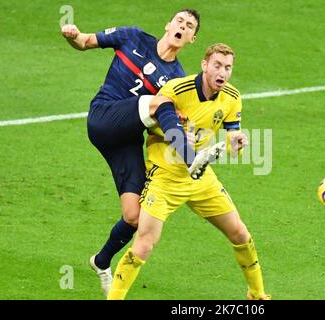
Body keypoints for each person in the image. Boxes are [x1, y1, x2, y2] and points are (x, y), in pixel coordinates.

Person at [107, 43, 271, 300]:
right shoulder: (176, 89)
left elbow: (230, 137)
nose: (223, 72)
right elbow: (151, 127)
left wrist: (236, 142)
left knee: (239, 232)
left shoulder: (231, 96)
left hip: (200, 176)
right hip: (164, 177)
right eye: (217, 65)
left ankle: (257, 294)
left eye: (228, 68)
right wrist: (179, 135)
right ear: (204, 65)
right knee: (144, 244)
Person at [61, 9, 203, 297]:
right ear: (168, 23)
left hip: (125, 140)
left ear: (191, 38)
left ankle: (101, 261)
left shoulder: (177, 80)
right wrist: (73, 36)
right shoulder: (133, 37)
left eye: (189, 26)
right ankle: (192, 159)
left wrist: (185, 128)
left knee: (134, 216)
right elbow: (85, 42)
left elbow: (165, 126)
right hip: (102, 117)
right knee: (156, 101)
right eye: (179, 21)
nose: (182, 27)